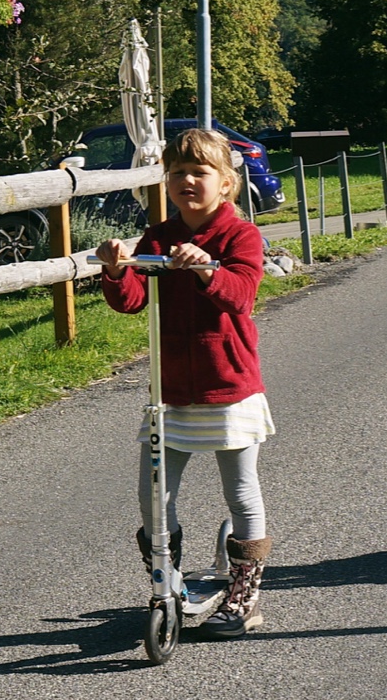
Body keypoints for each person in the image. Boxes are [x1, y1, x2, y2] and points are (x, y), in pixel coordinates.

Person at [97, 129, 272, 636]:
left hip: (227, 385)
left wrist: (203, 270)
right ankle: (166, 580)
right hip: (169, 390)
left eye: (200, 173)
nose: (187, 181)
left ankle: (243, 595)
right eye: (177, 174)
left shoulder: (240, 236)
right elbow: (131, 300)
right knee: (154, 495)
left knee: (240, 491)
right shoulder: (158, 236)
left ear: (226, 185)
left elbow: (240, 294)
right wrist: (115, 269)